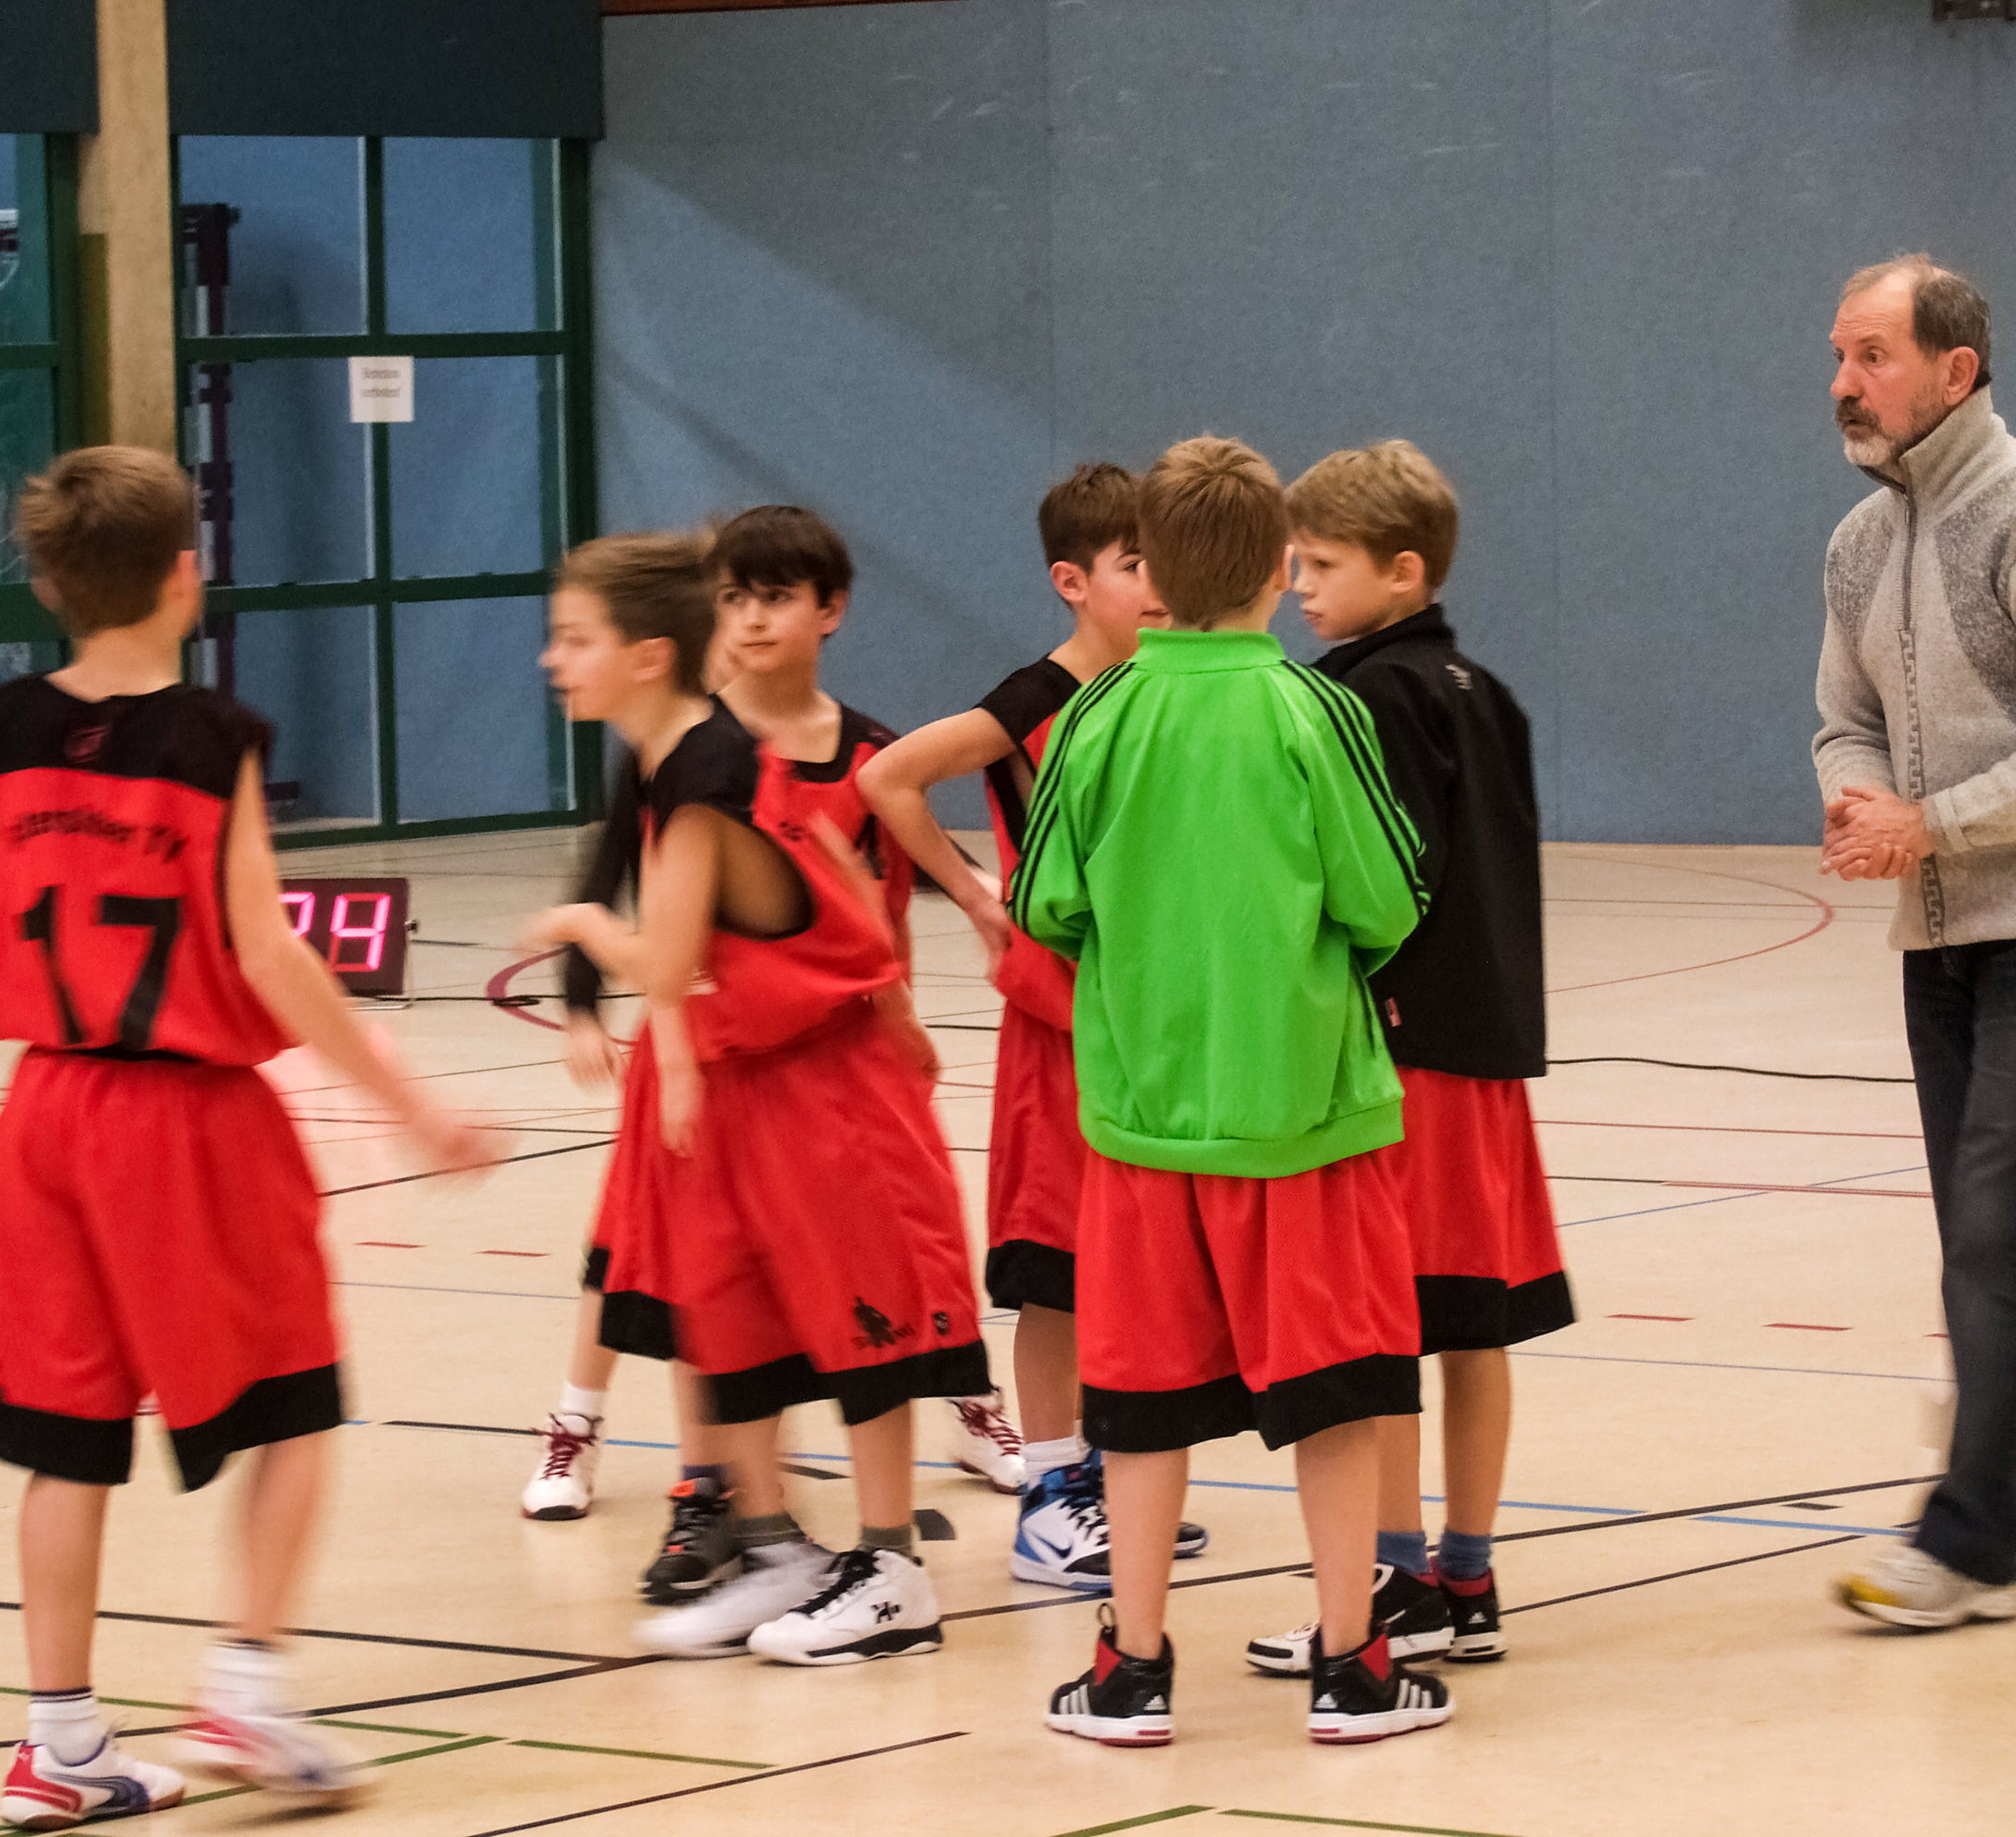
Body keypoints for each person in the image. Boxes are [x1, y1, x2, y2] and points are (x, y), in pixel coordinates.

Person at [0, 447, 489, 1829]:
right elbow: (267, 951)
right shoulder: (211, 740)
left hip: (46, 1113)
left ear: (46, 584)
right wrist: (408, 1101)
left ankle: (59, 1743)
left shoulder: (0, 726)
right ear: (188, 576)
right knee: (295, 1399)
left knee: (65, 1434)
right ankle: (246, 1681)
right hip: (187, 1120)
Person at [1016, 436, 1448, 1746]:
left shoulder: (1093, 718)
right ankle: (1350, 1665)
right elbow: (1386, 898)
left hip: (1145, 1119)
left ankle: (1131, 1669)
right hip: (1305, 1114)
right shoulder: (1316, 712)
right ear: (1275, 569)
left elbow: (1045, 901)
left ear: (1148, 572)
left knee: (1142, 1404)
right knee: (1334, 1393)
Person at [518, 505, 1024, 1610]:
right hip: (738, 1062)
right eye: (734, 597)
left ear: (647, 654)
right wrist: (669, 1046)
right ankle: (761, 1535)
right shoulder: (690, 755)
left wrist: (580, 928)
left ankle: (887, 1563)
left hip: (820, 1069)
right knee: (712, 1306)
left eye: (574, 637)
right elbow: (802, 891)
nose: (551, 659)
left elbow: (708, 936)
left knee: (863, 1316)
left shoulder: (722, 766)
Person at [1812, 255, 2016, 1629]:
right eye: (1838, 356)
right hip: (1936, 936)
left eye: (1872, 356)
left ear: (1954, 371)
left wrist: (1932, 821)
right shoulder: (1856, 542)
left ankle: (1968, 1541)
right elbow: (1842, 718)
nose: (1843, 383)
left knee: (1998, 1235)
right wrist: (1857, 797)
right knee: (1994, 1238)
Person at [1240, 440, 1572, 1679]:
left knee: (1377, 1325)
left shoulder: (1359, 699)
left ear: (1402, 569)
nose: (1298, 586)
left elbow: (1381, 880)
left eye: (1321, 565)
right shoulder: (1487, 691)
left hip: (1399, 1059)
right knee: (1470, 1322)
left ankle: (1388, 1578)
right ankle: (1464, 1574)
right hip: (1486, 1055)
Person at [859, 463, 1207, 1589]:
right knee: (1055, 1265)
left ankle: (1105, 1477)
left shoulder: (1164, 685)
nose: (1156, 583)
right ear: (1072, 580)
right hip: (1056, 1025)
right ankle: (1052, 1498)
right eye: (1133, 563)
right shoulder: (1033, 698)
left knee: (1125, 1259)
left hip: (1142, 1020)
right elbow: (889, 779)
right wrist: (974, 896)